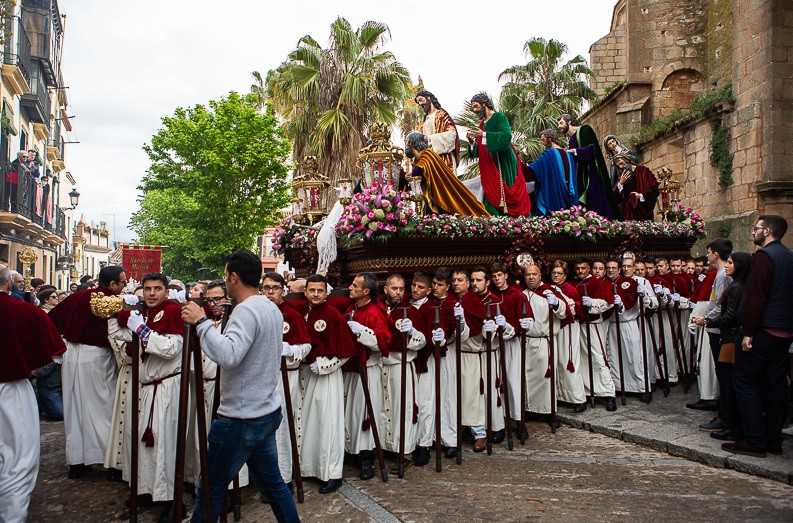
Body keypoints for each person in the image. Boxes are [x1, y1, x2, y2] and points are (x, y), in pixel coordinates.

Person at [182, 251, 299, 522]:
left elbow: (229, 355)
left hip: (241, 418)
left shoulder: (246, 311)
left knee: (210, 486)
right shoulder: (269, 306)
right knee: (274, 486)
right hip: (264, 412)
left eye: (225, 276)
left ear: (233, 277)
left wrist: (201, 323)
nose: (225, 281)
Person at [0, 265, 66, 522]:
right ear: (10, 284)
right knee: (18, 458)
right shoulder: (26, 311)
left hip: (13, 385)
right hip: (12, 390)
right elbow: (52, 351)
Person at [48, 265, 126, 479]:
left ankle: (77, 461)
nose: (124, 286)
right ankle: (110, 462)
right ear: (112, 284)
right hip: (97, 357)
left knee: (75, 407)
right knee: (104, 407)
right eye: (123, 282)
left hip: (71, 355)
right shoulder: (111, 299)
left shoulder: (78, 296)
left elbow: (51, 320)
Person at [727, 216, 793, 457]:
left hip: (763, 330)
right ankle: (773, 441)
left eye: (756, 228)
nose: (753, 232)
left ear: (767, 231)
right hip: (783, 331)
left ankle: (755, 439)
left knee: (744, 380)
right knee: (776, 385)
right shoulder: (789, 256)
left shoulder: (764, 257)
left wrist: (748, 332)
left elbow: (756, 296)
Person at [299, 273, 357, 494]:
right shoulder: (303, 314)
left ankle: (331, 473)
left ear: (326, 293)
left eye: (320, 291)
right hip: (307, 376)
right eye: (312, 290)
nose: (315, 294)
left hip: (327, 378)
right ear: (305, 292)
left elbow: (345, 352)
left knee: (328, 424)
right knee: (309, 424)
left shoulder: (333, 315)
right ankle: (309, 468)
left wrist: (324, 365)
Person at [691, 252, 751, 443]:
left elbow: (729, 316)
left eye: (731, 263)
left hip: (730, 337)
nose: (726, 266)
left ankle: (729, 423)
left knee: (728, 381)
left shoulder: (736, 288)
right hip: (729, 335)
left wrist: (706, 321)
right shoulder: (737, 285)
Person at [261, 272, 311, 487]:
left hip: (285, 378)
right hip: (262, 378)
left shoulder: (292, 315)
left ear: (283, 290)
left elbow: (306, 346)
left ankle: (282, 477)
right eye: (266, 288)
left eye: (275, 288)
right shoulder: (258, 314)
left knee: (281, 429)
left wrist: (291, 350)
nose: (270, 292)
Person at [342, 272, 391, 480]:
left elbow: (383, 342)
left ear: (366, 291)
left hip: (368, 369)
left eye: (355, 286)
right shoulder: (351, 309)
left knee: (365, 414)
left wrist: (362, 332)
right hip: (351, 369)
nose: (350, 288)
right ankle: (351, 450)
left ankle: (367, 457)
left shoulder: (375, 312)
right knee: (350, 412)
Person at [380, 273, 426, 470]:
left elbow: (423, 340)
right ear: (386, 289)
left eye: (401, 289)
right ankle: (384, 446)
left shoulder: (410, 311)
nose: (398, 293)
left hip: (400, 366)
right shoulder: (378, 308)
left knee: (403, 408)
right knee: (382, 407)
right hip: (381, 365)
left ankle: (404, 449)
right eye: (394, 288)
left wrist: (413, 333)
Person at [466, 92, 531, 216]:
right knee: (491, 194)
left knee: (508, 192)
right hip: (490, 167)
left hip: (504, 162)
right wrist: (471, 142)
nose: (474, 110)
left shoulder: (499, 117)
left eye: (476, 106)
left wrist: (484, 135)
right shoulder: (482, 124)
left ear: (484, 104)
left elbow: (506, 136)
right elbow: (479, 149)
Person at [687, 239, 732, 417]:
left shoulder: (719, 275)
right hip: (714, 324)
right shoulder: (719, 274)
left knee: (718, 369)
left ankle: (715, 402)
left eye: (708, 252)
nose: (707, 256)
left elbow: (715, 303)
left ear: (715, 253)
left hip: (714, 326)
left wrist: (702, 319)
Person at [521, 264, 571, 424]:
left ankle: (549, 411)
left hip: (544, 341)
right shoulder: (522, 294)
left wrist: (556, 303)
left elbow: (564, 311)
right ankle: (529, 409)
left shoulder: (550, 291)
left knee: (545, 378)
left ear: (540, 275)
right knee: (527, 377)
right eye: (528, 274)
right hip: (526, 341)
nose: (531, 277)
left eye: (534, 274)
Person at [405, 131, 489, 217]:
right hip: (433, 198)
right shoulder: (423, 157)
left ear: (412, 143)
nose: (406, 145)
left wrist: (411, 176)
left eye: (407, 142)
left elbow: (419, 172)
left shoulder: (427, 154)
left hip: (440, 196)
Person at [572, 258, 617, 411]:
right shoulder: (575, 283)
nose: (580, 271)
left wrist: (592, 303)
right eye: (577, 268)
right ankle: (585, 392)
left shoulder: (597, 283)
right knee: (581, 360)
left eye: (583, 268)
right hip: (578, 326)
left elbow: (609, 302)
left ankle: (609, 393)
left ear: (589, 269)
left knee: (598, 358)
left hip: (593, 325)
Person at [558, 114, 619, 219]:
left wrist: (575, 151)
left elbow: (591, 149)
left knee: (595, 199)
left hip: (592, 173)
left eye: (561, 123)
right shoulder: (571, 139)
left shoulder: (585, 130)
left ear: (569, 121)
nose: (559, 126)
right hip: (580, 176)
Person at [549, 261, 586, 410]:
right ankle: (563, 395)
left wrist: (561, 296)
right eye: (554, 273)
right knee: (558, 361)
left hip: (569, 326)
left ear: (565, 275)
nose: (556, 275)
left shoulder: (569, 289)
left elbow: (576, 307)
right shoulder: (549, 288)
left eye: (559, 273)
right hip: (556, 327)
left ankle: (578, 398)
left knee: (569, 361)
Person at [523, 129, 578, 216]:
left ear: (549, 139)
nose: (542, 143)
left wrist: (518, 164)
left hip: (555, 196)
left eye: (543, 139)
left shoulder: (549, 154)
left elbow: (532, 172)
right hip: (570, 196)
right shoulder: (568, 155)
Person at [414, 90, 460, 171]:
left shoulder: (442, 115)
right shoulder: (422, 122)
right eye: (418, 102)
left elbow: (452, 135)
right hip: (429, 163)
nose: (420, 104)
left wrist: (429, 139)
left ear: (428, 97)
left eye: (421, 100)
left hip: (444, 160)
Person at [612, 154, 659, 221]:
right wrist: (621, 183)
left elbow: (654, 188)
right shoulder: (622, 177)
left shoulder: (643, 171)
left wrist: (640, 196)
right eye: (619, 165)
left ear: (627, 160)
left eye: (621, 162)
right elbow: (615, 197)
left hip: (642, 209)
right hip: (627, 212)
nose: (621, 165)